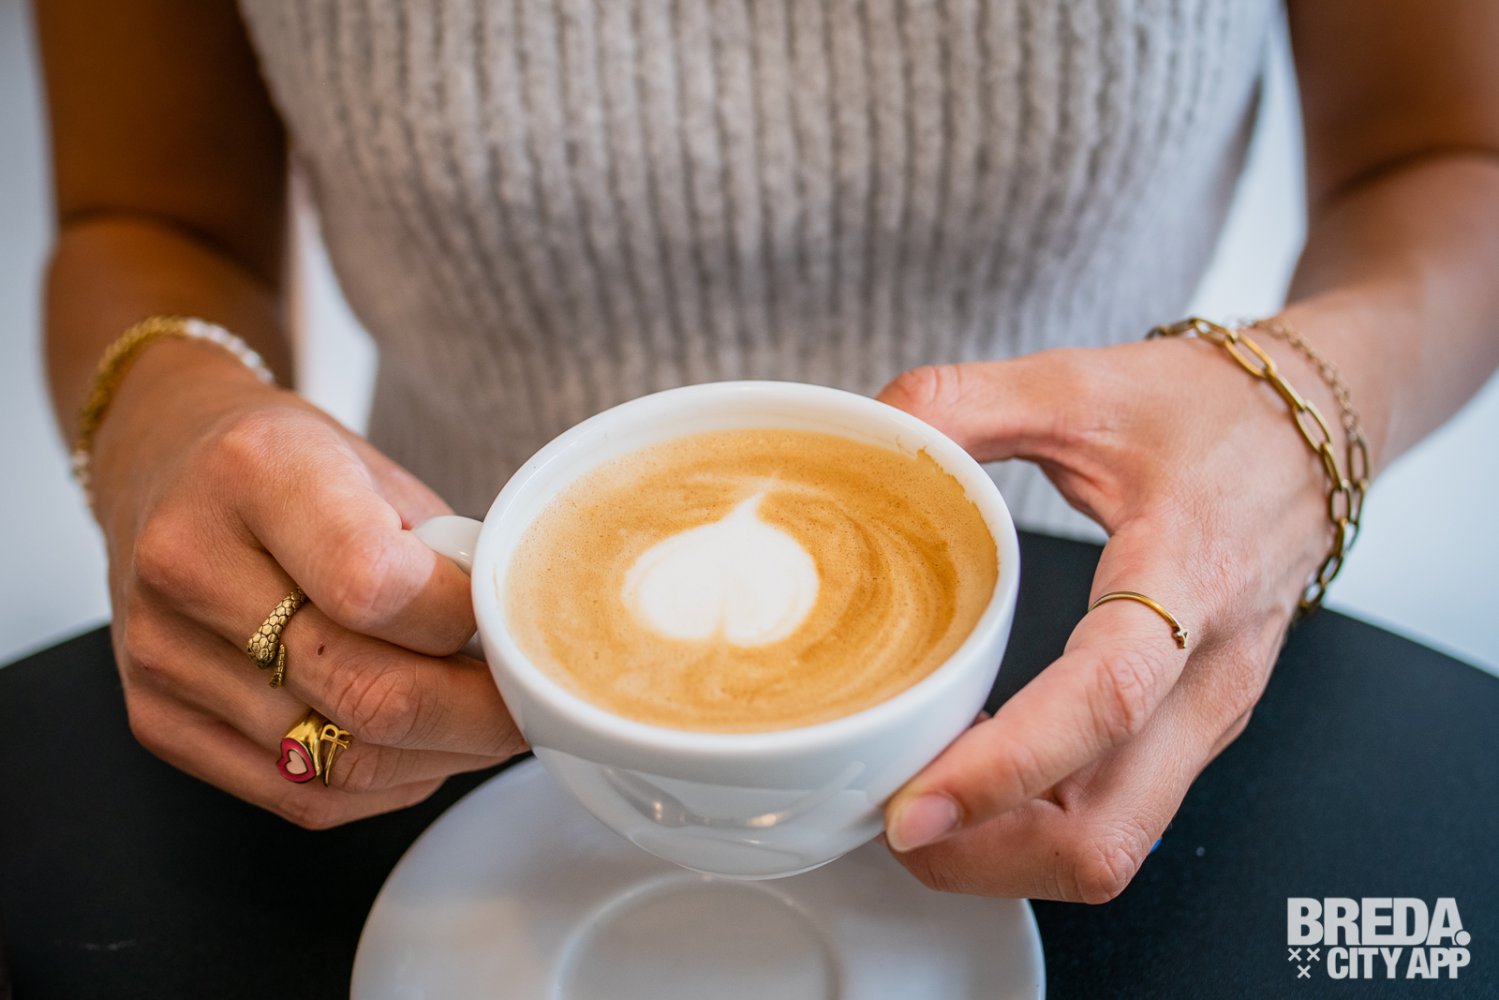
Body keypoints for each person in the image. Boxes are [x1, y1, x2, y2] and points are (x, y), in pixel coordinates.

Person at [35, 0, 1499, 903]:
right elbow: (145, 216)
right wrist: (166, 420)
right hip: (417, 702)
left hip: (1101, 676)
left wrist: (1299, 413)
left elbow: (1450, 159)